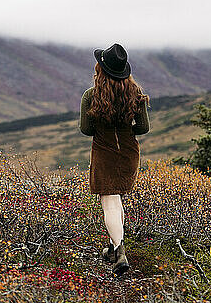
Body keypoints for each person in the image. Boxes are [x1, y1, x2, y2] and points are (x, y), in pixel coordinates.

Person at [79, 43, 150, 276]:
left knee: (109, 202)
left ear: (101, 69)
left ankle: (120, 252)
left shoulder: (91, 96)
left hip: (104, 152)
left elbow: (86, 130)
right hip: (129, 153)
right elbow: (143, 127)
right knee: (116, 199)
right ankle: (112, 248)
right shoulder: (136, 94)